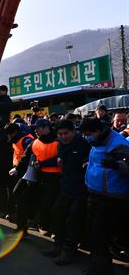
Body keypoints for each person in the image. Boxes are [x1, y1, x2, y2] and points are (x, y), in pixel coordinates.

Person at [81, 117, 129, 274]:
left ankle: (101, 270)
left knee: (99, 236)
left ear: (98, 131)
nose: (86, 137)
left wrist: (117, 165)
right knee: (93, 233)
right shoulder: (96, 142)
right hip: (94, 193)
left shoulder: (118, 143)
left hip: (112, 198)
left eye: (88, 133)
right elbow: (97, 162)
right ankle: (97, 266)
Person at [41, 120, 90, 266]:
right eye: (60, 134)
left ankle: (69, 251)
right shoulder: (61, 145)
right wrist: (40, 164)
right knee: (57, 214)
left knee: (74, 220)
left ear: (73, 131)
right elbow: (57, 160)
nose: (63, 136)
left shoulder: (84, 145)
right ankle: (58, 246)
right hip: (66, 188)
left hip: (81, 191)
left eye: (66, 133)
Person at [30, 119, 61, 234]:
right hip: (41, 177)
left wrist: (42, 164)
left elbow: (60, 157)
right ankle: (43, 225)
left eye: (38, 128)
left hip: (57, 177)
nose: (35, 130)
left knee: (53, 204)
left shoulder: (59, 140)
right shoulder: (35, 142)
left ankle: (52, 228)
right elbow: (29, 155)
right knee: (42, 202)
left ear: (46, 127)